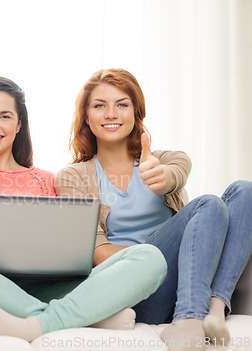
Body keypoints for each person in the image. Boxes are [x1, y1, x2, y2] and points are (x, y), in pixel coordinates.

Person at [0, 76, 168, 342]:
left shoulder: (46, 180)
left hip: (43, 287)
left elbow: (68, 246)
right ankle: (82, 317)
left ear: (19, 124)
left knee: (149, 257)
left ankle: (39, 322)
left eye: (5, 116)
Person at [55, 68, 252, 350]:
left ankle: (216, 306)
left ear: (136, 113)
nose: (111, 113)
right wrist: (157, 260)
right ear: (86, 116)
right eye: (100, 106)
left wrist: (164, 180)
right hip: (138, 291)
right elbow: (96, 252)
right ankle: (190, 317)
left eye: (122, 104)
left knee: (245, 192)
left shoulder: (165, 159)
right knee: (208, 205)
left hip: (188, 281)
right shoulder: (73, 177)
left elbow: (176, 173)